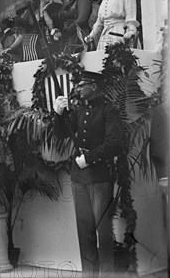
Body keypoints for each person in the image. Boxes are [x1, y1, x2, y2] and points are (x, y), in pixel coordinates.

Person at [53, 71, 123, 275]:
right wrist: (59, 115)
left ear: (93, 86)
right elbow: (60, 134)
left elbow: (114, 143)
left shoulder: (109, 111)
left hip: (100, 177)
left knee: (103, 231)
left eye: (82, 85)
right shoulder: (78, 111)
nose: (78, 88)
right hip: (79, 178)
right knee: (85, 230)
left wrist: (89, 158)